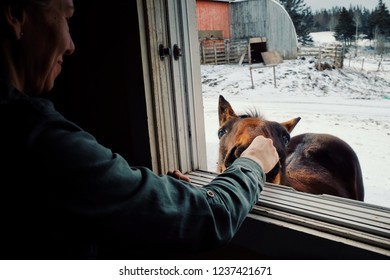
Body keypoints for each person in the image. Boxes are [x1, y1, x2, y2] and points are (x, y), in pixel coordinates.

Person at [0, 0, 279, 259]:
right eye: (66, 17)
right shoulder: (38, 141)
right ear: (15, 13)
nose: (71, 45)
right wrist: (252, 163)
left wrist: (156, 204)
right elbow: (210, 216)